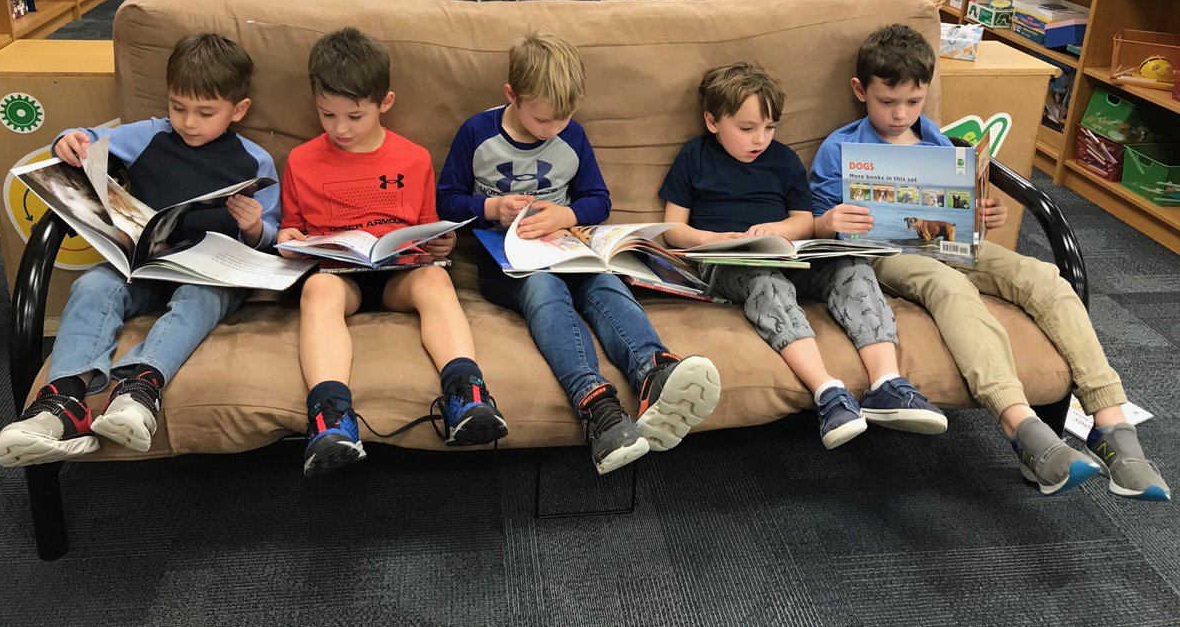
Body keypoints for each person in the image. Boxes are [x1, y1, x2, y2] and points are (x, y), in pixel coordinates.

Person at [810, 24, 1170, 501]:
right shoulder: (840, 148)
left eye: (913, 102)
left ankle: (1112, 425)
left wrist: (984, 217)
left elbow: (964, 220)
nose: (900, 115)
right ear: (861, 92)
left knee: (1042, 276)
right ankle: (1022, 427)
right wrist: (833, 218)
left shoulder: (938, 142)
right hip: (888, 253)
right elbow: (820, 224)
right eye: (887, 102)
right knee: (948, 287)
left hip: (949, 245)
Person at [437, 32, 721, 475]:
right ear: (512, 95)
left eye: (565, 117)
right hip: (506, 263)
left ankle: (655, 370)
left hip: (565, 247)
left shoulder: (573, 136)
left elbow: (598, 200)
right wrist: (489, 207)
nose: (555, 128)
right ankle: (597, 407)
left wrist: (565, 215)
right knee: (546, 290)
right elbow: (446, 201)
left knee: (605, 283)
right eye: (544, 119)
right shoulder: (477, 133)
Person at [0, 33, 279, 466]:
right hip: (142, 268)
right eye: (177, 106)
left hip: (209, 276)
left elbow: (271, 238)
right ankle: (63, 402)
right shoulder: (150, 134)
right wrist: (68, 141)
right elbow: (87, 138)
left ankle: (139, 387)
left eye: (205, 112)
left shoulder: (255, 161)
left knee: (201, 297)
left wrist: (255, 227)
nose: (187, 122)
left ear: (238, 110)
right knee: (93, 285)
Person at [659, 62, 947, 450]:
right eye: (747, 129)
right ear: (713, 121)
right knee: (767, 283)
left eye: (769, 127)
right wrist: (715, 238)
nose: (759, 139)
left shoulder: (783, 160)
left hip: (790, 254)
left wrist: (780, 229)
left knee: (852, 266)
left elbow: (805, 222)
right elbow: (673, 228)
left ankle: (887, 383)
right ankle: (827, 391)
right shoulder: (695, 156)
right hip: (727, 263)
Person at [278, 28, 506, 477]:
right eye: (327, 115)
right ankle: (330, 419)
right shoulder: (301, 161)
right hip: (340, 276)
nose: (340, 128)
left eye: (354, 116)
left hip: (400, 273)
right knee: (319, 291)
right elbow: (291, 226)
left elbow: (428, 226)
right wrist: (289, 240)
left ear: (385, 103)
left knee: (437, 280)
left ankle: (468, 394)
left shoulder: (414, 158)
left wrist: (444, 242)